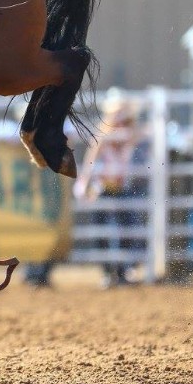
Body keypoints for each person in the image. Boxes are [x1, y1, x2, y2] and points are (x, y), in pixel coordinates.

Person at [73, 92, 148, 288]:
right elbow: (91, 158)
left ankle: (123, 270)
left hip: (122, 187)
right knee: (102, 231)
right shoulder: (103, 133)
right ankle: (107, 271)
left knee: (128, 230)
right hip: (102, 187)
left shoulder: (129, 133)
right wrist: (83, 181)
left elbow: (141, 134)